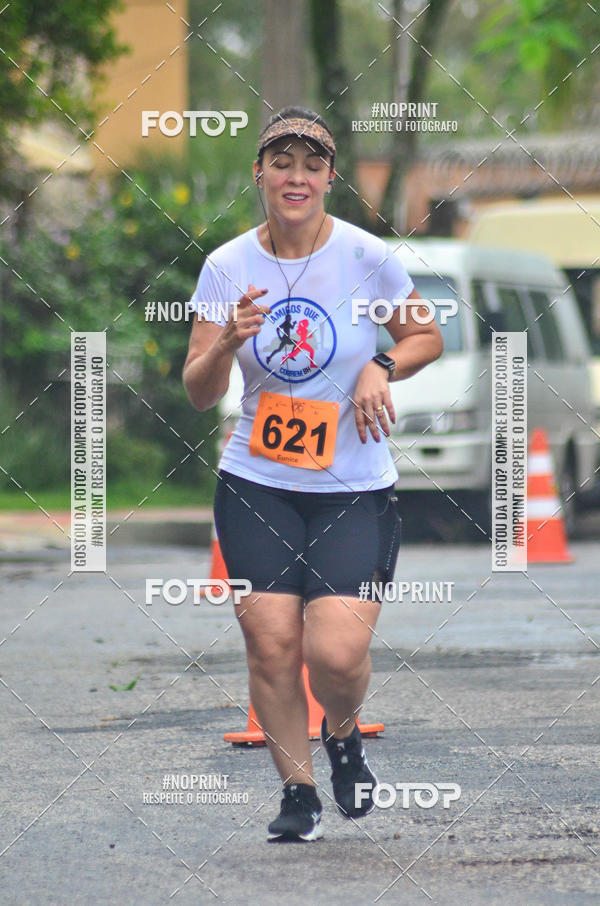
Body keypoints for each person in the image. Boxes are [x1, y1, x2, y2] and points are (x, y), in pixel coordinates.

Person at [183, 106, 443, 842]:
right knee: (271, 645)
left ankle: (344, 734)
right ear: (259, 173)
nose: (295, 177)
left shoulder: (365, 256)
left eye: (311, 164)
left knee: (336, 653)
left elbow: (425, 334)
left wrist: (381, 364)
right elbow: (198, 390)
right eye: (282, 163)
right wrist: (225, 344)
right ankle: (298, 794)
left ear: (330, 178)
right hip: (256, 483)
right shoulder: (227, 266)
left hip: (353, 488)